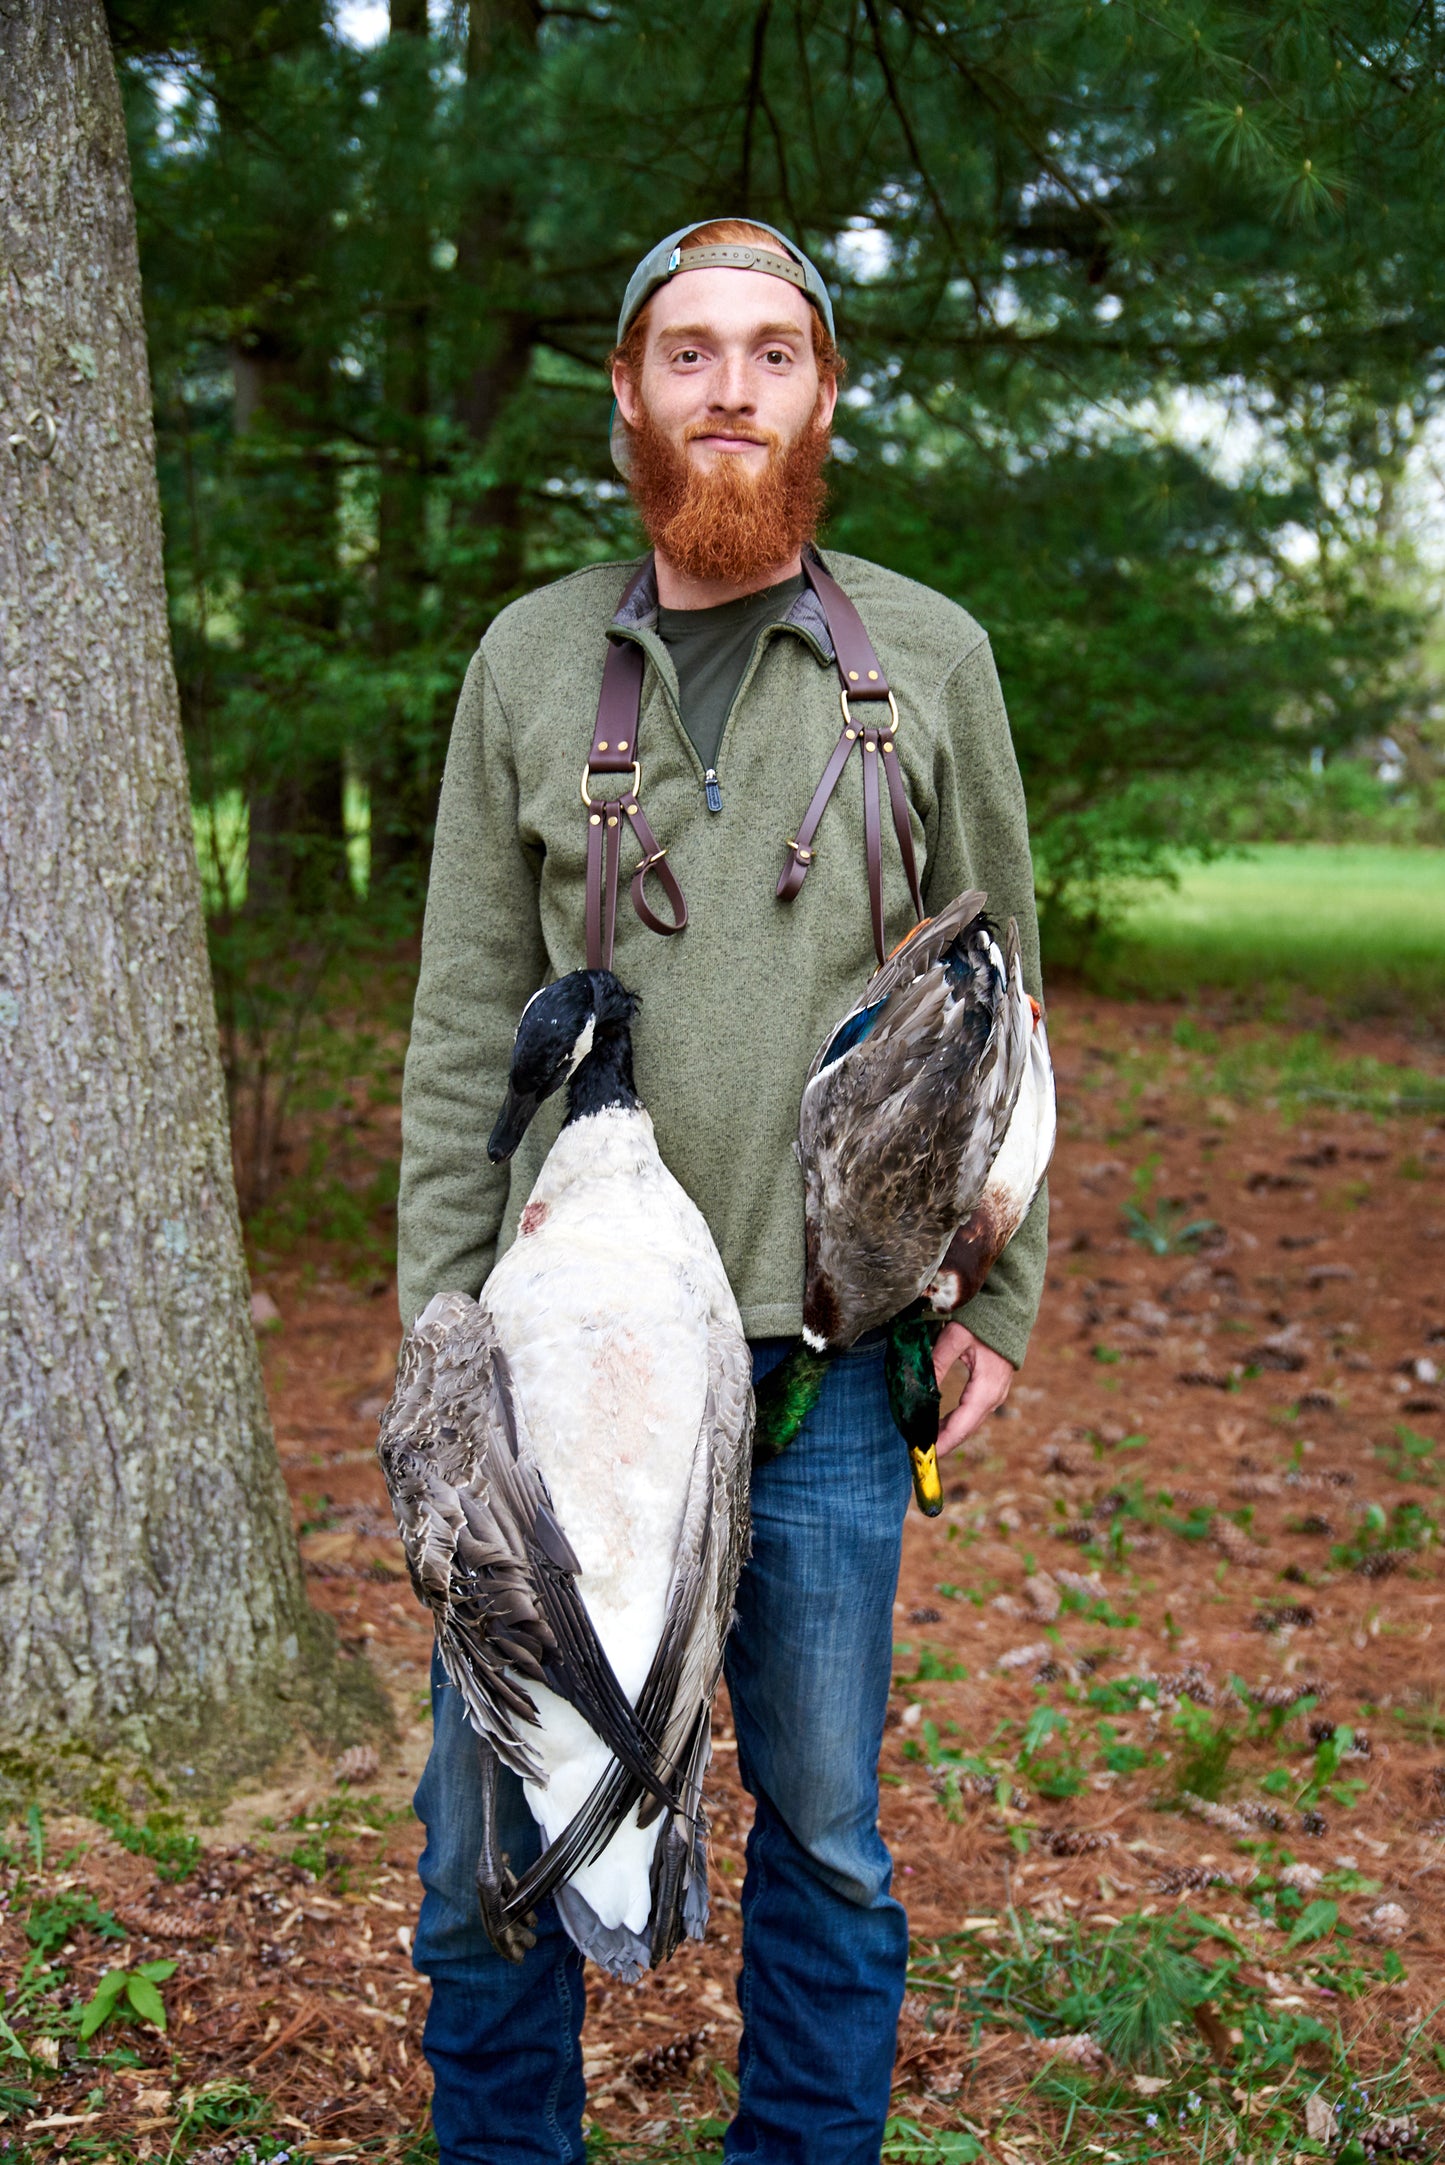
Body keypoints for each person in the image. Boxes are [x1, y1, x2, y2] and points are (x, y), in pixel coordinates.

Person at [396, 217, 1047, 2165]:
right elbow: (458, 1025)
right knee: (483, 1844)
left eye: (774, 351)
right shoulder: (528, 659)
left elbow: (998, 991)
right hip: (552, 1379)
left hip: (831, 1378)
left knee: (829, 1843)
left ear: (823, 389)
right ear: (630, 391)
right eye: (692, 352)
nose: (733, 388)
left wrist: (994, 1307)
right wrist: (443, 1327)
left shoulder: (928, 658)